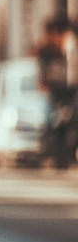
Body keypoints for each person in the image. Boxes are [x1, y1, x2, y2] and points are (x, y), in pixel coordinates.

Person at [37, 17, 73, 168]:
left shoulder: (67, 49)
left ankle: (64, 156)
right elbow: (43, 75)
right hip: (53, 93)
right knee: (52, 123)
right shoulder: (45, 51)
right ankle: (53, 155)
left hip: (67, 92)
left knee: (64, 124)